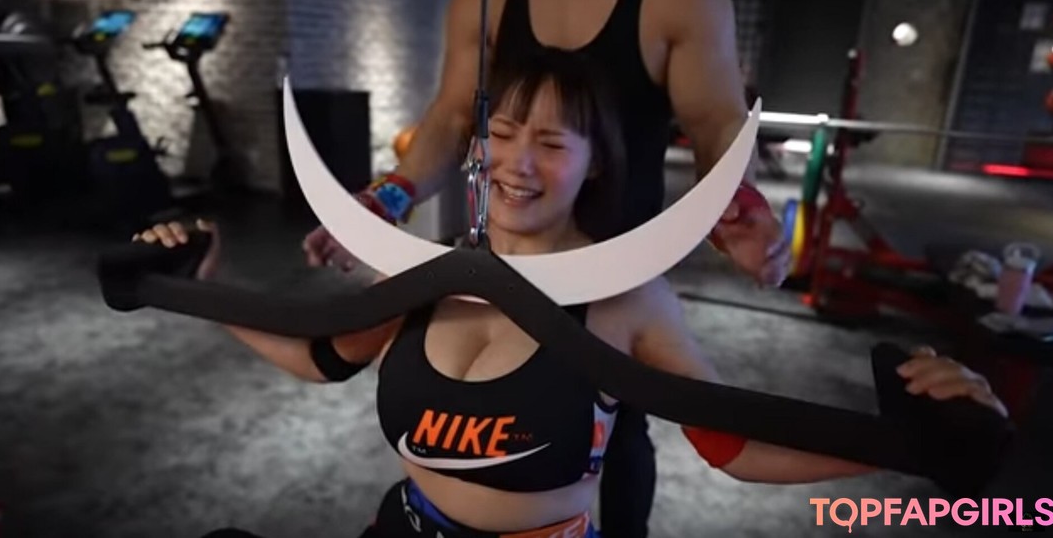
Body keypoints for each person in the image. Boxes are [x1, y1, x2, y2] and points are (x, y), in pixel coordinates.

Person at [137, 50, 1007, 538]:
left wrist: (906, 442)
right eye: (503, 132)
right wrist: (196, 287)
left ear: (594, 164)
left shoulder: (629, 297)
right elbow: (321, 354)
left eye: (553, 142)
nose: (519, 161)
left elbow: (733, 444)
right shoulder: (424, 273)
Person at [303, 0, 788, 535]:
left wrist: (737, 205)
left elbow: (715, 120)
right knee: (480, 408)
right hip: (509, 250)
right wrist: (383, 202)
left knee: (622, 430)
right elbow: (454, 115)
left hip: (617, 271)